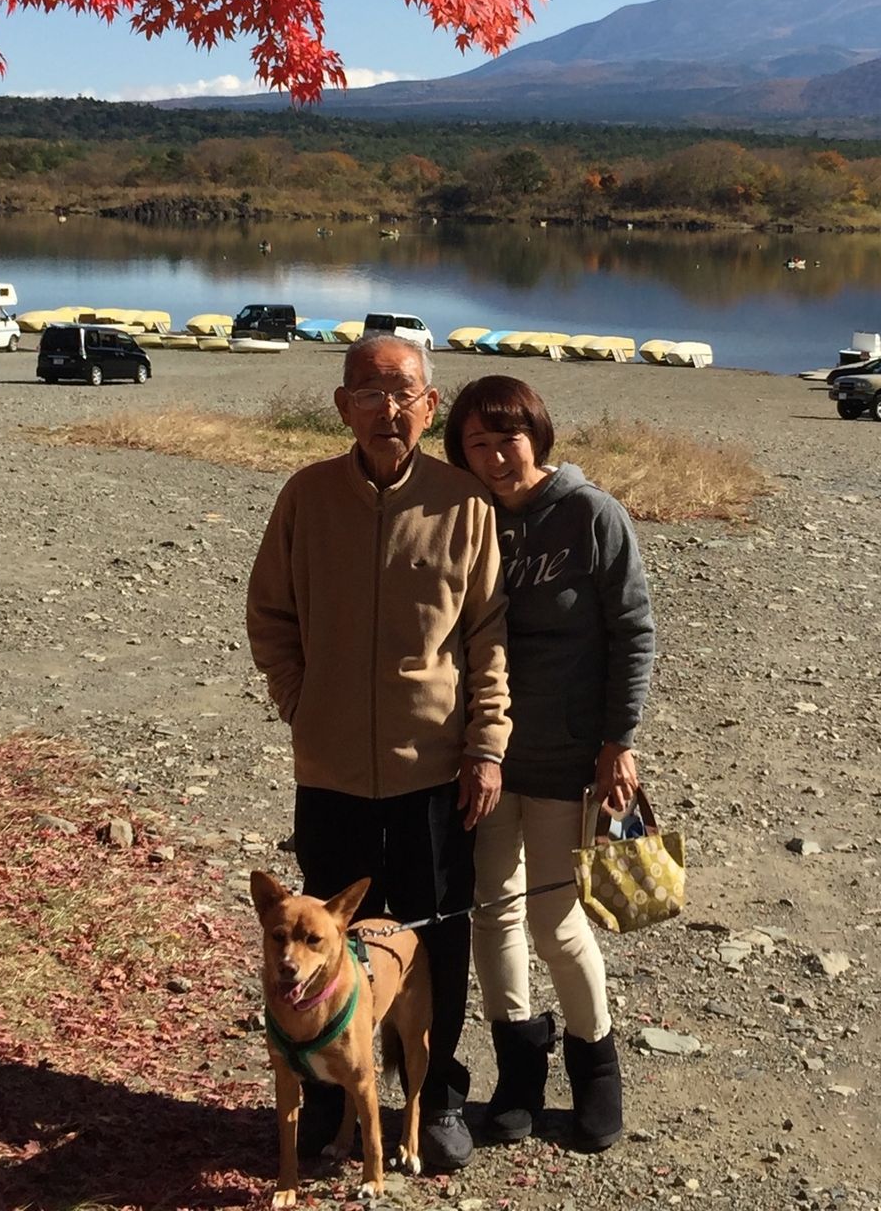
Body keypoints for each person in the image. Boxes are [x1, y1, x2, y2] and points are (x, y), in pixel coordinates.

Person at [247, 334, 510, 1172]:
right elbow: (270, 616)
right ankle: (329, 1095)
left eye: (404, 394)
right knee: (327, 937)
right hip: (331, 773)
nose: (388, 410)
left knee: (436, 938)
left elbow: (488, 637)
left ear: (430, 407)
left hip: (435, 771)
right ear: (343, 406)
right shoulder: (306, 497)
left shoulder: (464, 504)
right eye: (370, 392)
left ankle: (436, 1095)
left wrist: (486, 746)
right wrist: (301, 702)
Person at [444, 375, 655, 1153]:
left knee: (556, 920)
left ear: (537, 435)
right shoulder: (467, 518)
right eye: (478, 444)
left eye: (509, 438)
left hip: (570, 757)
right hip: (483, 757)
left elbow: (633, 630)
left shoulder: (590, 514)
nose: (497, 457)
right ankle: (519, 1077)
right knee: (492, 912)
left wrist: (618, 740)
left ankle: (597, 1070)